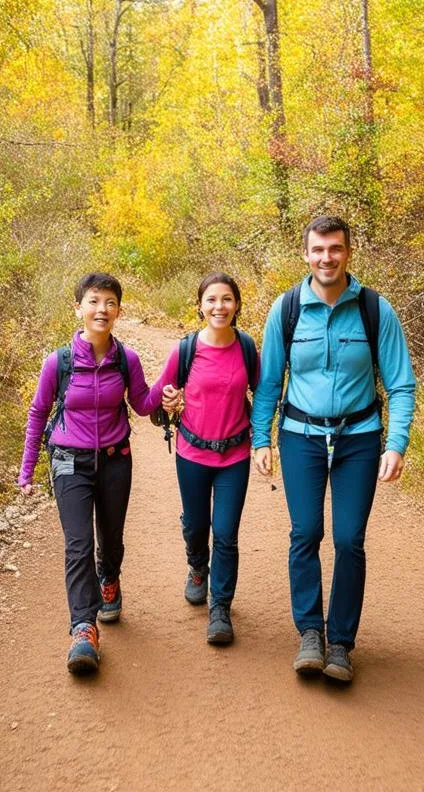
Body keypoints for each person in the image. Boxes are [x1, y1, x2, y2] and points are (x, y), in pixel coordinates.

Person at [251, 215, 416, 683]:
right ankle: (309, 633)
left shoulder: (374, 310)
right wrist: (261, 437)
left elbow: (401, 384)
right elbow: (268, 384)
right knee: (305, 533)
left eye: (336, 249)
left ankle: (340, 641)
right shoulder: (286, 309)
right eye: (318, 249)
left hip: (359, 438)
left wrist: (396, 443)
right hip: (300, 437)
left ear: (348, 252)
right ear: (306, 254)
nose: (327, 257)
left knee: (348, 539)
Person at [18, 272, 152, 674]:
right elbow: (38, 413)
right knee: (78, 544)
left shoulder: (126, 360)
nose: (102, 310)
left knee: (110, 540)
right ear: (78, 307)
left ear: (119, 311)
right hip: (68, 462)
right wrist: (27, 471)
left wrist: (168, 392)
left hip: (115, 459)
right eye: (94, 301)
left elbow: (143, 404)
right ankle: (83, 628)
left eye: (110, 303)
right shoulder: (57, 362)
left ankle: (109, 577)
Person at [142, 273, 259, 646]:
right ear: (200, 306)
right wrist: (167, 401)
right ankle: (197, 567)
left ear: (237, 305)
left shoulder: (246, 348)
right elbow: (155, 402)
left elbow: (264, 392)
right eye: (211, 300)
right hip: (192, 452)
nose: (219, 307)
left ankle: (220, 607)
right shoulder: (186, 350)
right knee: (196, 525)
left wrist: (264, 440)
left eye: (226, 299)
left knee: (225, 532)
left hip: (234, 455)